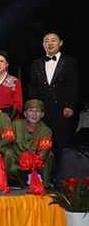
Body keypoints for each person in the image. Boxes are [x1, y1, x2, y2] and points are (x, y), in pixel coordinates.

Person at [29, 32, 80, 162]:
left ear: (60, 43)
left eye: (53, 40)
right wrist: (33, 108)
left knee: (64, 144)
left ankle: (65, 173)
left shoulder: (70, 61)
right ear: (43, 44)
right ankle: (43, 172)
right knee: (42, 145)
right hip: (42, 111)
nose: (50, 43)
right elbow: (33, 86)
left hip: (62, 110)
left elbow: (74, 85)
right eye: (47, 41)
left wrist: (70, 106)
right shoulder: (36, 63)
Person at [9, 99, 54, 189]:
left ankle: (45, 184)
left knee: (49, 155)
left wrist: (31, 163)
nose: (34, 114)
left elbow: (43, 152)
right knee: (8, 157)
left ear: (42, 114)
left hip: (36, 163)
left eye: (37, 111)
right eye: (31, 111)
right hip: (18, 161)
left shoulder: (46, 131)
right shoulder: (15, 125)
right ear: (25, 114)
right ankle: (21, 181)